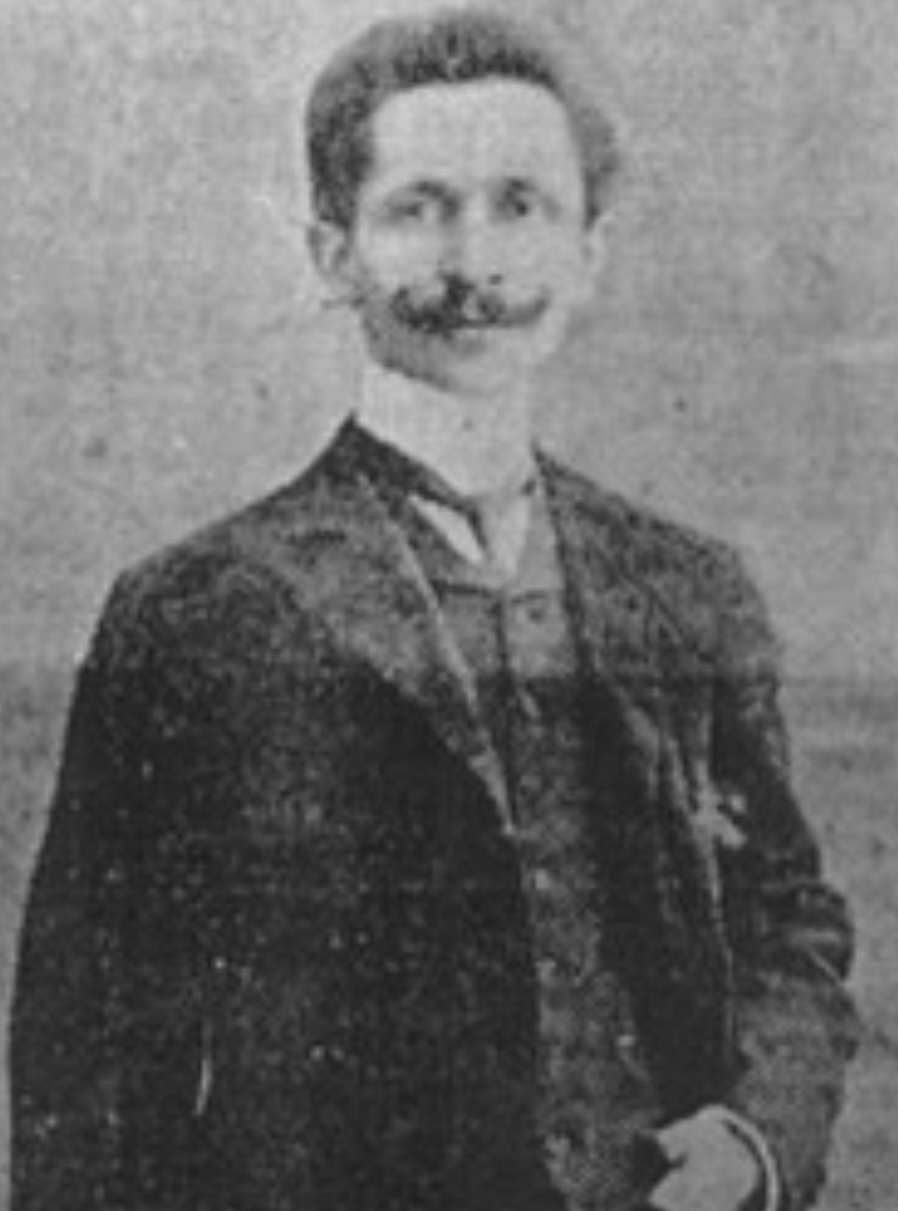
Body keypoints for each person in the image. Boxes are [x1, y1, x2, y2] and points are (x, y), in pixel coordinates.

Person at [10, 8, 858, 1211]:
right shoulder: (194, 611)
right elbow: (89, 1045)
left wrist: (756, 1140)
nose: (475, 263)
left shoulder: (687, 588)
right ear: (333, 254)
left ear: (587, 251)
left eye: (521, 205)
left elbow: (788, 919)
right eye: (418, 208)